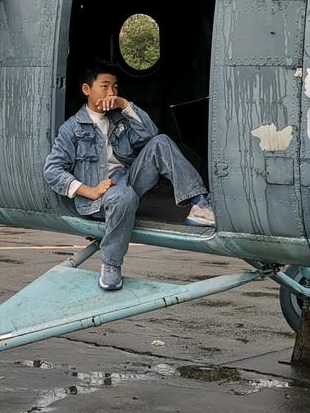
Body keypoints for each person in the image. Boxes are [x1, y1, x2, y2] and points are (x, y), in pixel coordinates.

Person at [43, 61, 215, 292]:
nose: (111, 92)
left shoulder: (119, 118)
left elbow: (150, 135)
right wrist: (90, 191)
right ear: (87, 90)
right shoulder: (71, 129)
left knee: (161, 142)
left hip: (129, 182)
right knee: (123, 196)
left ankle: (200, 204)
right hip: (100, 197)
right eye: (104, 86)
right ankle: (111, 263)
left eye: (115, 87)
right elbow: (52, 171)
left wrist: (125, 105)